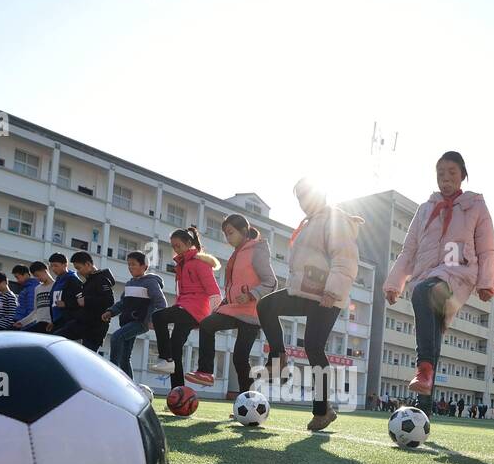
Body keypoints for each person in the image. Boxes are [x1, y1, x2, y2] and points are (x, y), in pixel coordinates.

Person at [383, 151, 494, 413]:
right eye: (440, 174)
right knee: (431, 329)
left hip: (457, 271)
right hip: (426, 275)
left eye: (452, 173)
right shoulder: (425, 209)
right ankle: (422, 404)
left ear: (463, 176)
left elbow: (488, 248)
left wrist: (487, 283)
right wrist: (394, 283)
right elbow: (408, 250)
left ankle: (422, 369)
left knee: (424, 291)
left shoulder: (475, 206)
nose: (445, 179)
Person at [258, 178, 363, 432]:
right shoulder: (309, 223)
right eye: (300, 198)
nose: (304, 202)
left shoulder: (334, 219)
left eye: (307, 196)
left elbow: (345, 259)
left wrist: (333, 290)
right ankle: (278, 359)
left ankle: (322, 411)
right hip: (304, 291)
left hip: (327, 295)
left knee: (314, 348)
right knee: (266, 306)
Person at [185, 214, 278, 396]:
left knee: (239, 358)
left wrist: (252, 295)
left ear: (244, 231)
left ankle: (249, 399)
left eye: (231, 233)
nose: (228, 238)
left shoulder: (257, 250)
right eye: (226, 234)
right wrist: (223, 303)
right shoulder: (236, 254)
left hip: (251, 312)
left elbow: (271, 282)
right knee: (207, 324)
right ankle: (205, 372)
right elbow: (233, 287)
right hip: (234, 308)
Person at [149, 228, 221, 384]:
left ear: (189, 243)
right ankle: (178, 390)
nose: (175, 249)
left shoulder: (199, 262)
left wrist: (216, 313)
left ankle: (165, 358)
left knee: (158, 316)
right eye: (173, 246)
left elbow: (212, 288)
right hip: (185, 307)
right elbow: (181, 293)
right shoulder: (181, 264)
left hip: (194, 309)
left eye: (178, 245)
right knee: (175, 347)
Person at [103, 251, 168, 378]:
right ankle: (130, 386)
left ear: (144, 266)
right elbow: (123, 303)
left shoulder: (151, 282)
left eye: (133, 264)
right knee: (125, 358)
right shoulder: (129, 283)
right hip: (127, 322)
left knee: (116, 337)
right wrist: (110, 312)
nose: (130, 267)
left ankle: (111, 374)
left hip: (141, 322)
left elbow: (161, 302)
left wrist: (154, 320)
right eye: (128, 265)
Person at [73, 252, 116, 353]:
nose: (78, 272)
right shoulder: (89, 281)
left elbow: (109, 301)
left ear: (88, 264)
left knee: (87, 359)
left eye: (79, 268)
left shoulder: (101, 279)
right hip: (86, 326)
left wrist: (86, 300)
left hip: (96, 328)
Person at [14, 262, 55, 333]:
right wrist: (22, 322)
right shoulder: (37, 288)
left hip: (51, 324)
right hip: (39, 323)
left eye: (38, 275)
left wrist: (54, 322)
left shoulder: (56, 286)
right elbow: (35, 311)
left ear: (45, 271)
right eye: (35, 276)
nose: (38, 279)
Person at [48, 253, 81, 334]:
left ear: (65, 265)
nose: (53, 269)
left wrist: (66, 304)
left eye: (56, 265)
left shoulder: (73, 280)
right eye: (51, 266)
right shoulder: (58, 280)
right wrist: (53, 321)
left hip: (68, 321)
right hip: (57, 322)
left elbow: (82, 302)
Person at [11, 264, 36, 329]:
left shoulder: (32, 288)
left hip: (22, 323)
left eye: (17, 277)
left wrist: (25, 326)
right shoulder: (27, 287)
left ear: (25, 275)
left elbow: (31, 308)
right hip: (20, 321)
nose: (17, 280)